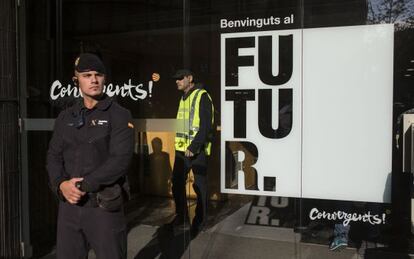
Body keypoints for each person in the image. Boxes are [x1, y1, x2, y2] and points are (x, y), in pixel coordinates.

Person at [47, 53, 134, 259]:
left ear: (104, 78)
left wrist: (82, 185)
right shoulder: (66, 117)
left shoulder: (119, 115)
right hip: (69, 206)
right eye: (87, 75)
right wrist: (60, 185)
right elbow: (53, 156)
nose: (94, 80)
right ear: (76, 80)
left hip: (104, 207)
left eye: (98, 75)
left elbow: (120, 160)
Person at [169, 69, 214, 236]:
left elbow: (206, 126)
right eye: (176, 79)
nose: (177, 81)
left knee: (200, 187)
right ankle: (182, 217)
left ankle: (200, 221)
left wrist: (194, 147)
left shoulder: (202, 96)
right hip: (182, 150)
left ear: (190, 78)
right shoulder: (184, 97)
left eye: (180, 78)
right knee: (177, 183)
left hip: (197, 150)